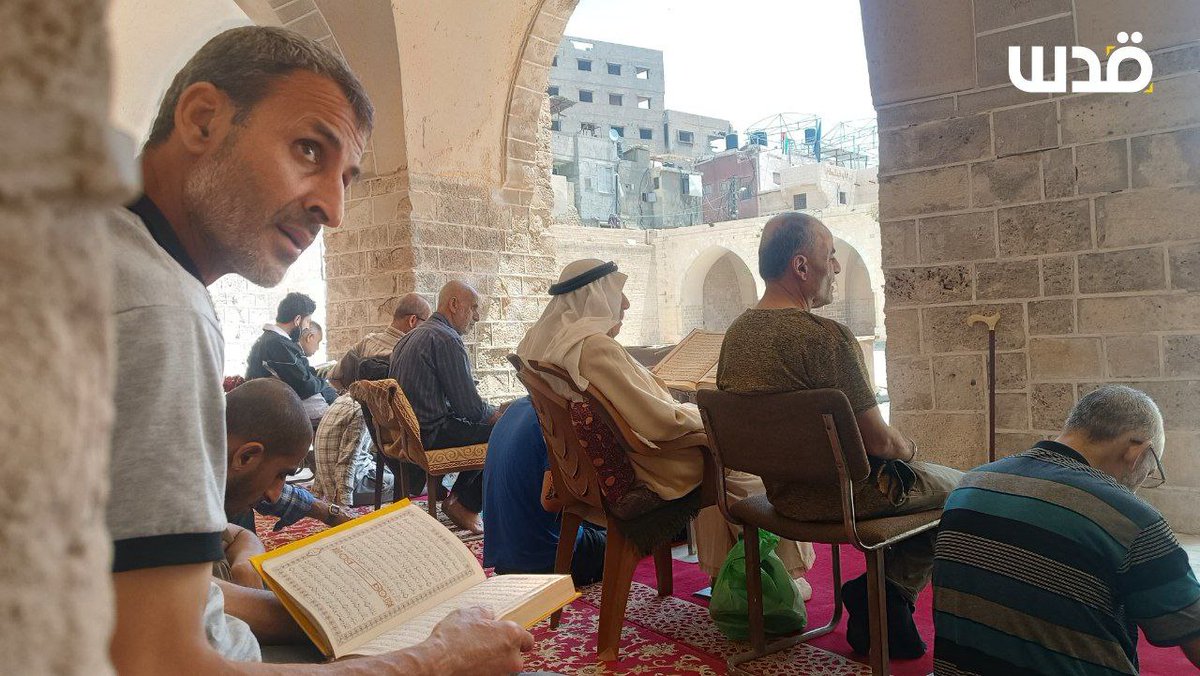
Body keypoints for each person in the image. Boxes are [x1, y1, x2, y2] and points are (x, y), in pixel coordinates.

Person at [106, 25, 533, 674]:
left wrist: (314, 613)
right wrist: (434, 661)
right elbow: (160, 658)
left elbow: (128, 590)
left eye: (347, 177)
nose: (333, 207)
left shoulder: (107, 254)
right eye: (309, 149)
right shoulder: (155, 306)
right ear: (201, 120)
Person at [717, 212, 963, 658]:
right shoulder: (825, 338)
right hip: (846, 500)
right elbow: (880, 443)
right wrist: (913, 451)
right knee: (966, 490)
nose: (835, 268)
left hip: (781, 497)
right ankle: (887, 593)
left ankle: (881, 599)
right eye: (829, 258)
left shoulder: (735, 335)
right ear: (800, 266)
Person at [516, 259, 815, 590]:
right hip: (646, 467)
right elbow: (658, 421)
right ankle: (783, 576)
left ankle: (723, 574)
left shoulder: (538, 344)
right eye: (618, 293)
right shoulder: (592, 347)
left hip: (587, 475)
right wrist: (709, 417)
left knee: (721, 457)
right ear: (594, 296)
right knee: (741, 463)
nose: (626, 303)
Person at [933, 385, 1200, 673]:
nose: (1140, 484)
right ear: (1137, 451)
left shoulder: (969, 484)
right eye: (1150, 471)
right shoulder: (1130, 519)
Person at [389, 280, 505, 534]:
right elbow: (470, 409)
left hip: (409, 435)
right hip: (432, 434)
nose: (476, 316)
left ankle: (458, 498)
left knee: (492, 425)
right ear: (453, 304)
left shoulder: (409, 338)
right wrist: (500, 414)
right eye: (473, 307)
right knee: (507, 434)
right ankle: (464, 504)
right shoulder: (446, 339)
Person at [482, 397, 606, 586]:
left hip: (506, 558)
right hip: (544, 561)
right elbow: (552, 501)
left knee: (598, 522)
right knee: (630, 535)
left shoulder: (517, 407)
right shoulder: (559, 416)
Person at [247, 292, 337, 424]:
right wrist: (324, 383)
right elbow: (304, 385)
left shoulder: (275, 341)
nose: (307, 327)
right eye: (307, 321)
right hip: (292, 412)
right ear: (297, 320)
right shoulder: (276, 343)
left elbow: (302, 375)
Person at [328, 292, 431, 391]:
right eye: (426, 323)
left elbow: (334, 376)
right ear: (412, 320)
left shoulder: (366, 342)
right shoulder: (411, 353)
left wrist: (351, 397)